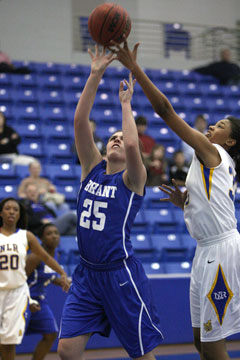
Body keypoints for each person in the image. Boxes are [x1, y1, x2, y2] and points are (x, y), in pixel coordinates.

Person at [112, 39, 240, 360]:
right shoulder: (211, 160)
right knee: (199, 341)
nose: (212, 126)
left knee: (212, 348)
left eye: (220, 125)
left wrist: (135, 69)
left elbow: (165, 111)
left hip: (221, 251)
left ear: (231, 140)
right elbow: (215, 205)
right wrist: (187, 202)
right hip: (205, 250)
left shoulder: (212, 151)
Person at [57, 45, 163, 360]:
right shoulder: (91, 169)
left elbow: (133, 143)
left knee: (142, 355)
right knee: (66, 351)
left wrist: (125, 104)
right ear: (103, 150)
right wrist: (95, 74)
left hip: (120, 274)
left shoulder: (133, 179)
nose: (117, 138)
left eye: (121, 136)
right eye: (111, 137)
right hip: (88, 274)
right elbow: (80, 122)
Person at [0, 197, 69, 360]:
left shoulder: (28, 237)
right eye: (8, 208)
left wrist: (63, 276)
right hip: (16, 295)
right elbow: (24, 274)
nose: (11, 212)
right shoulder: (31, 255)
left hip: (22, 297)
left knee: (11, 343)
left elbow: (47, 266)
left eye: (15, 209)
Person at [25, 223, 71, 360]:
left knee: (50, 333)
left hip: (40, 301)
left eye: (56, 233)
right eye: (49, 234)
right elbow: (19, 280)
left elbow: (49, 276)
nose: (54, 236)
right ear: (41, 239)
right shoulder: (35, 257)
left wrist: (62, 281)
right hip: (23, 300)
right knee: (10, 339)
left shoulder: (55, 254)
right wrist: (27, 301)